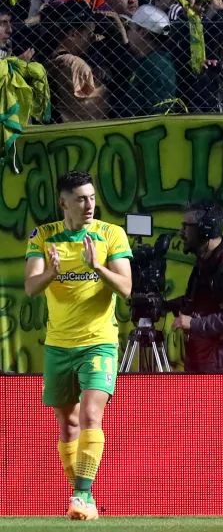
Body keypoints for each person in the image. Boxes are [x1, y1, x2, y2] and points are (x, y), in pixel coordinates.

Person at [24, 170, 133, 521]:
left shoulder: (110, 234)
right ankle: (81, 496)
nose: (89, 205)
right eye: (81, 199)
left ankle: (82, 494)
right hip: (58, 345)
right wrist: (52, 274)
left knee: (90, 415)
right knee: (68, 424)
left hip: (98, 342)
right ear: (63, 202)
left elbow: (126, 287)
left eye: (92, 198)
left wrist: (97, 266)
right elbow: (30, 286)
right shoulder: (44, 236)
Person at [168, 202, 223, 372]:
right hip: (207, 360)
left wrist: (194, 324)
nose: (181, 233)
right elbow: (202, 303)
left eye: (186, 227)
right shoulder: (205, 261)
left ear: (205, 230)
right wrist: (166, 306)